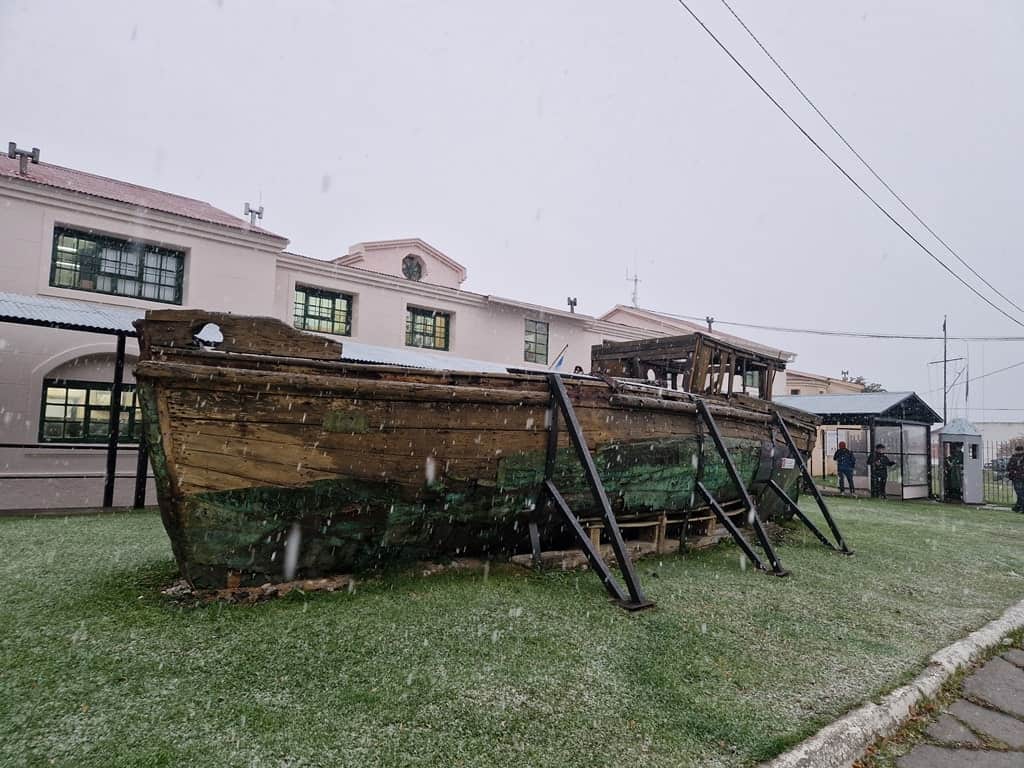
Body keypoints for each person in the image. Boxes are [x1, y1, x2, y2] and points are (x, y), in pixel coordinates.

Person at [1007, 445, 1024, 513]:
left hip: (1017, 477)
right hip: (1020, 476)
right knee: (1021, 492)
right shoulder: (1015, 457)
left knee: (1020, 493)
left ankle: (1021, 507)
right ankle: (1017, 507)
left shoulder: (1014, 458)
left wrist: (1013, 472)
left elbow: (1008, 467)